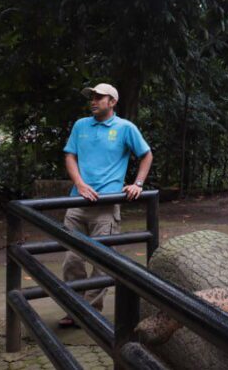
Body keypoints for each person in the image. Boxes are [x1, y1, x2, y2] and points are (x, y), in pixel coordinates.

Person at [58, 83, 152, 328]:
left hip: (107, 205)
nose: (93, 100)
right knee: (72, 259)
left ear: (112, 102)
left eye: (99, 97)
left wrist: (138, 183)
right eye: (92, 97)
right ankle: (74, 307)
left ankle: (90, 311)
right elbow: (70, 155)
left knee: (103, 262)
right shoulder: (81, 126)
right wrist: (79, 184)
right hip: (77, 202)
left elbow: (146, 154)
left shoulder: (125, 128)